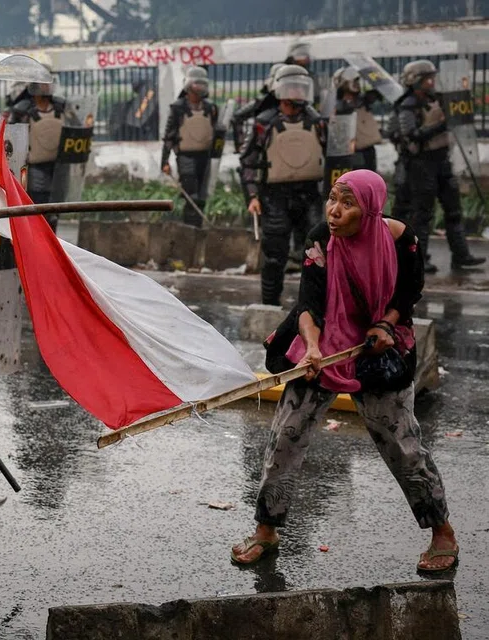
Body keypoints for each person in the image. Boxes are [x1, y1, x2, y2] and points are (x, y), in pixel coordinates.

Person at [230, 169, 459, 574]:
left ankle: (442, 532)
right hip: (324, 343)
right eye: (333, 198)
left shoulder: (402, 241)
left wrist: (387, 324)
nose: (335, 211)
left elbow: (409, 293)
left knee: (402, 445)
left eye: (347, 203)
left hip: (376, 348)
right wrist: (314, 349)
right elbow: (309, 303)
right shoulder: (321, 239)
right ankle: (266, 529)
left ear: (369, 209)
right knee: (286, 435)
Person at [240, 64, 326, 306]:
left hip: (309, 195)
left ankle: (314, 307)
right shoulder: (264, 123)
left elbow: (333, 158)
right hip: (274, 197)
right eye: (292, 86)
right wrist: (252, 196)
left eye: (301, 86)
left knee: (317, 253)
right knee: (275, 257)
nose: (297, 91)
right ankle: (270, 305)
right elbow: (247, 162)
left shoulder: (317, 122)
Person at [393, 59, 485, 274]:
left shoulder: (437, 99)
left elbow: (459, 110)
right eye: (427, 79)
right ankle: (419, 258)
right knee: (423, 214)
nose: (432, 82)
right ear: (415, 81)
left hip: (442, 160)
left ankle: (461, 255)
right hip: (421, 164)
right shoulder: (407, 105)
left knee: (453, 210)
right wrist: (442, 125)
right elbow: (412, 135)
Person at [161, 66, 218, 227]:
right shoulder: (178, 108)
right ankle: (190, 228)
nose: (198, 89)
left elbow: (215, 132)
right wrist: (164, 161)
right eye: (195, 85)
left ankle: (198, 227)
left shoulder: (210, 108)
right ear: (188, 86)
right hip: (185, 156)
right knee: (190, 193)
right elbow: (169, 136)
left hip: (204, 157)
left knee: (201, 195)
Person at [7, 80, 65, 230]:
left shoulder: (61, 107)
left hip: (58, 165)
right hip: (35, 166)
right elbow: (12, 137)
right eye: (42, 83)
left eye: (47, 83)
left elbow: (75, 130)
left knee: (56, 205)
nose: (45, 87)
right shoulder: (23, 110)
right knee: (39, 203)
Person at [332, 65, 383, 172]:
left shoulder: (362, 101)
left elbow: (372, 97)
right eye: (353, 82)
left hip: (368, 149)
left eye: (357, 82)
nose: (357, 85)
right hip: (353, 150)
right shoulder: (339, 106)